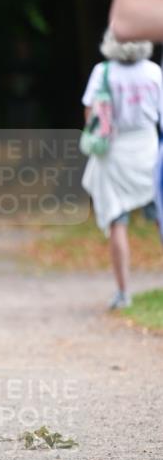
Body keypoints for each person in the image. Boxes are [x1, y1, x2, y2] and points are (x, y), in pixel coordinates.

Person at [81, 28, 162, 309]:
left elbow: (90, 113)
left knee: (117, 221)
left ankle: (123, 291)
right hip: (149, 150)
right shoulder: (153, 72)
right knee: (159, 217)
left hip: (113, 152)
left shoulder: (103, 72)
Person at [110, 0, 163, 240]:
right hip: (132, 145)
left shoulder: (106, 72)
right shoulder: (108, 73)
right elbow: (128, 13)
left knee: (118, 216)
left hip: (135, 145)